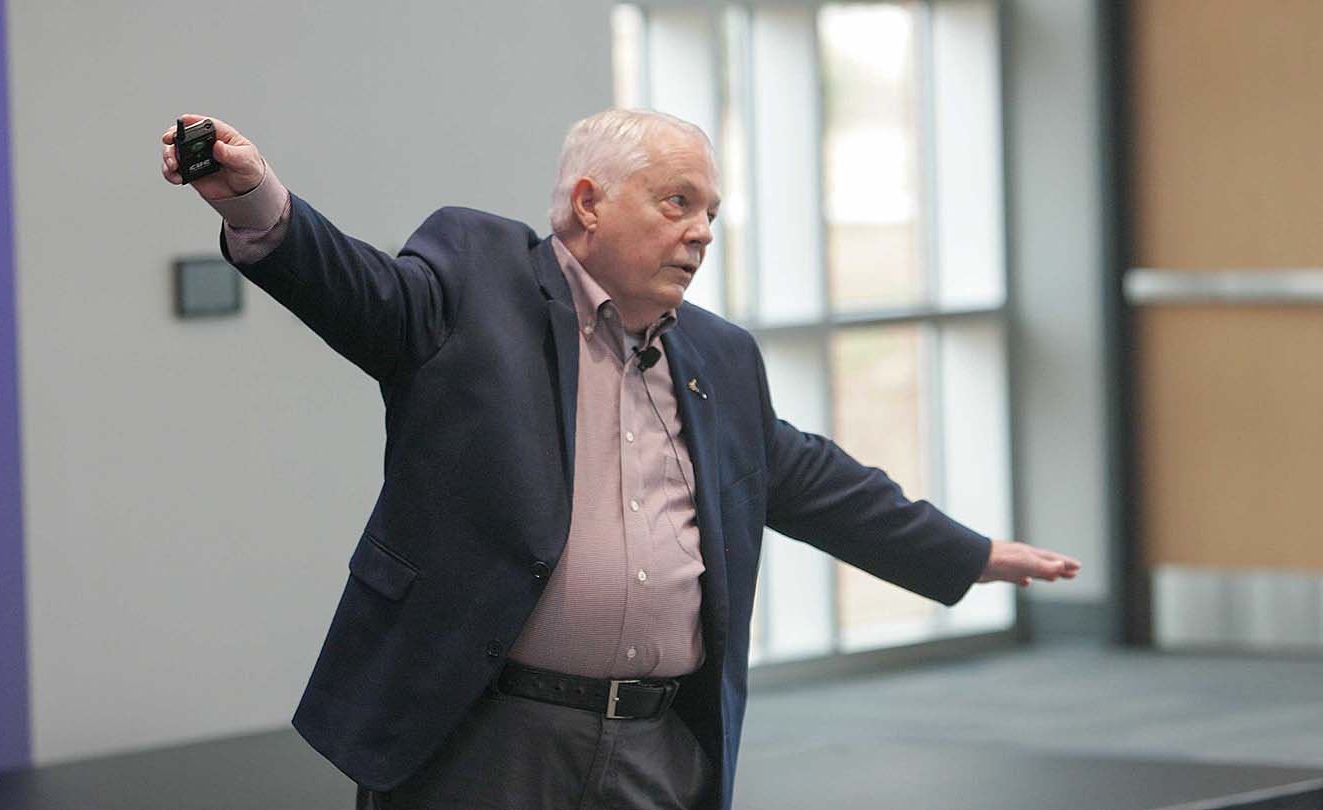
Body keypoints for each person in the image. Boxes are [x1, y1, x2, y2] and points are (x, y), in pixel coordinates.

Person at [160, 108, 1081, 810]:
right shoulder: (475, 283)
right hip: (488, 735)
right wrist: (253, 197)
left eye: (712, 211)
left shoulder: (719, 357)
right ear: (588, 202)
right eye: (677, 202)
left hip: (654, 743)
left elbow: (810, 480)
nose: (703, 231)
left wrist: (973, 554)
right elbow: (356, 290)